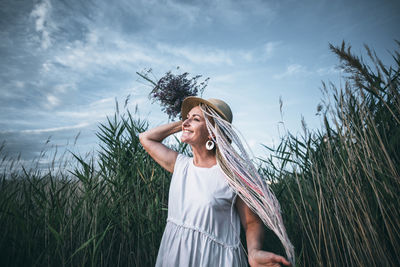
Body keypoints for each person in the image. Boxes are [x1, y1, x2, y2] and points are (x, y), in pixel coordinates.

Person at [139, 97, 291, 267]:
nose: (186, 122)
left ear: (212, 132)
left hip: (215, 259)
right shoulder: (180, 165)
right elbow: (146, 138)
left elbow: (251, 222)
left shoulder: (231, 175)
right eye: (186, 117)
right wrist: (186, 123)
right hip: (175, 254)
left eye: (195, 119)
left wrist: (254, 251)